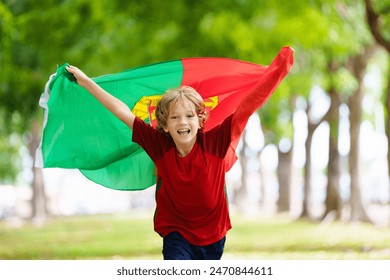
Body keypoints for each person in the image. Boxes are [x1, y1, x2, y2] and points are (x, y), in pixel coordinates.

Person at [65, 65, 258, 260]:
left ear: (200, 121)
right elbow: (121, 111)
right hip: (177, 234)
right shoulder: (159, 146)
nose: (182, 122)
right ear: (164, 126)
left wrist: (278, 70)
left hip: (213, 235)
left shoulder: (215, 143)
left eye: (189, 116)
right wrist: (86, 81)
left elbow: (248, 106)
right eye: (175, 117)